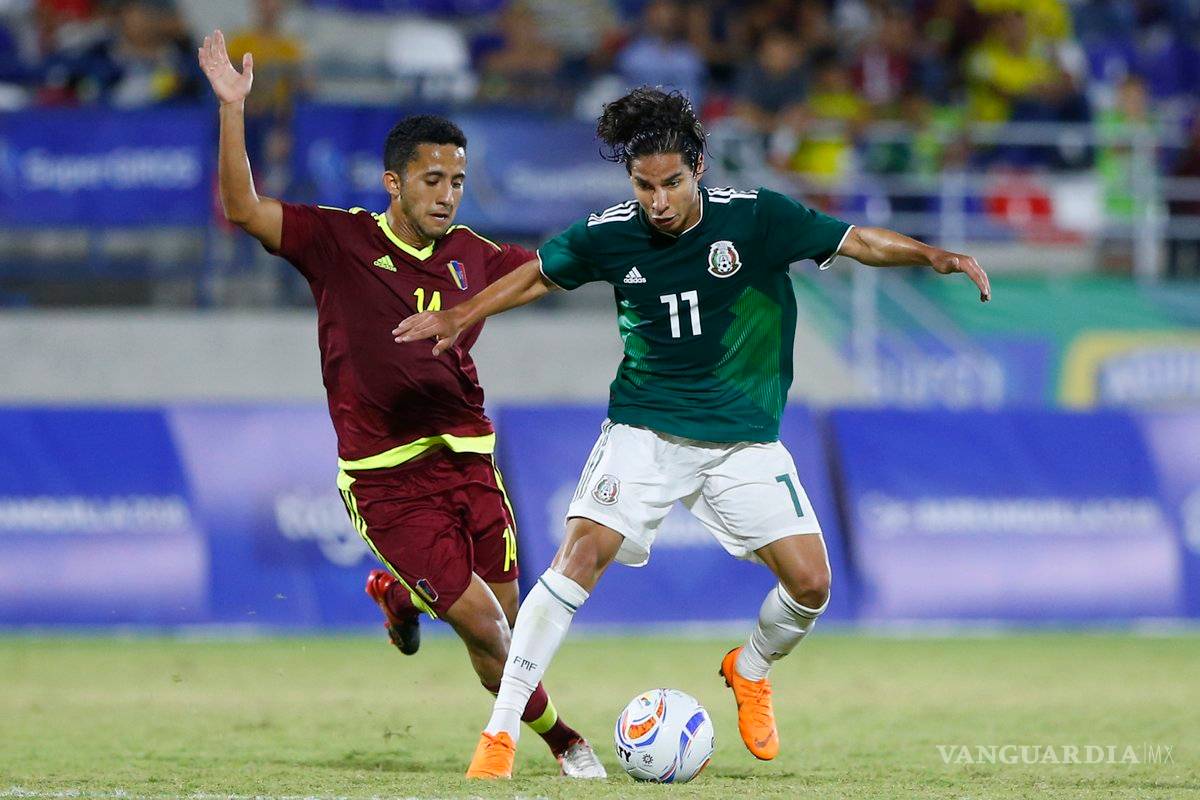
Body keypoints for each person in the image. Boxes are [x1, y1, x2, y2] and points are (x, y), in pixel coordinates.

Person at [394, 87, 991, 779]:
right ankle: (497, 736)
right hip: (645, 429)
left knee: (812, 585)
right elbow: (537, 278)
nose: (658, 201)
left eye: (671, 183)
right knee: (579, 556)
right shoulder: (611, 232)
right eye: (644, 186)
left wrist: (933, 257)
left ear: (699, 168)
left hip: (741, 439)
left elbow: (855, 241)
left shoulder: (759, 219)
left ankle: (751, 667)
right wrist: (460, 315)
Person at [195, 30, 604, 778]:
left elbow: (550, 272)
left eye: (457, 179)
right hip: (385, 480)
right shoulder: (337, 241)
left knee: (506, 632)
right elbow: (243, 208)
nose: (447, 193)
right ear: (393, 184)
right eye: (432, 180)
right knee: (491, 632)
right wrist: (232, 110)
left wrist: (638, 246)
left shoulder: (476, 253)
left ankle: (399, 596)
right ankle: (565, 740)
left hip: (471, 463)